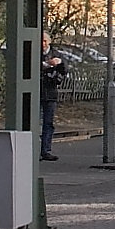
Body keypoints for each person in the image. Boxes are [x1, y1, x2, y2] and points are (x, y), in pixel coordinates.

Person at [39, 32, 68, 161]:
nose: (43, 44)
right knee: (33, 122)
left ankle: (46, 150)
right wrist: (47, 65)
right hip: (36, 92)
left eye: (45, 41)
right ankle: (33, 149)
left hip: (50, 93)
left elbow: (65, 69)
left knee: (48, 123)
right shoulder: (34, 53)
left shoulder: (56, 54)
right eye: (41, 41)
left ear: (49, 42)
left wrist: (59, 62)